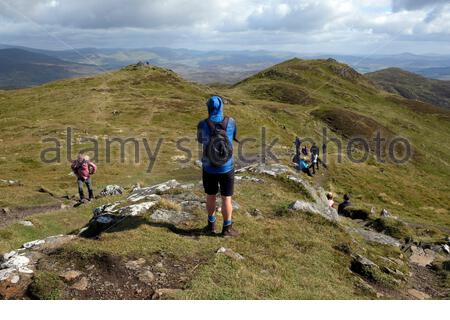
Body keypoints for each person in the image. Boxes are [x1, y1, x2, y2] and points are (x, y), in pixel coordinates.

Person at [197, 95, 239, 237]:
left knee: (210, 196)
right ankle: (227, 229)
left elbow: (201, 140)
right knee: (226, 198)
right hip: (227, 167)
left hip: (209, 167)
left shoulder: (202, 124)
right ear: (221, 107)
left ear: (208, 107)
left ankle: (211, 225)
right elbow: (233, 137)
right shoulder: (231, 122)